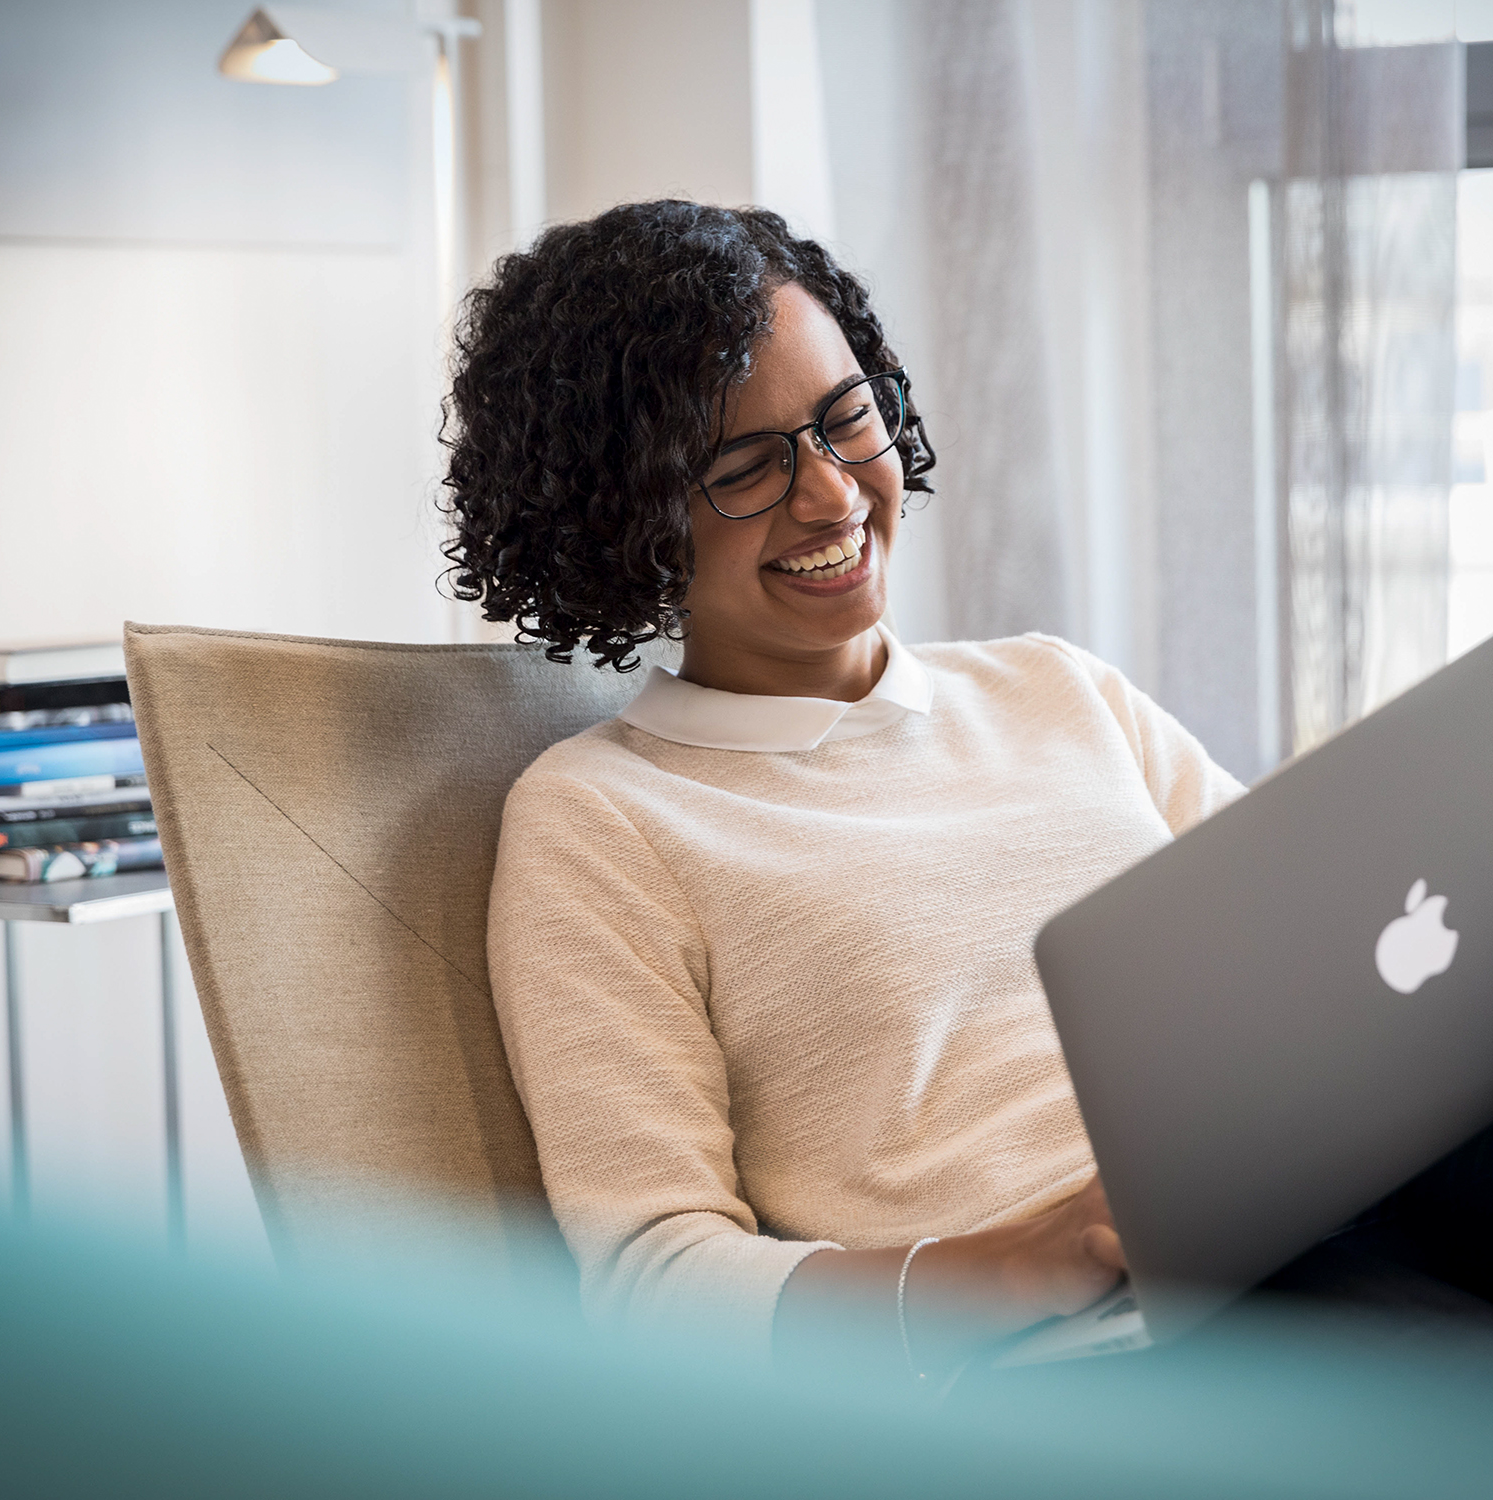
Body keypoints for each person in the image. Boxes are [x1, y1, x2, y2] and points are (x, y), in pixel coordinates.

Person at [441, 200, 1488, 1378]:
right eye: (743, 468)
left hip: (1348, 1193)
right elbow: (656, 1280)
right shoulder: (601, 819)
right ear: (619, 521)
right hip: (1113, 1345)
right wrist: (1020, 1262)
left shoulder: (1055, 688)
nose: (833, 496)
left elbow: (1333, 949)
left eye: (848, 419)